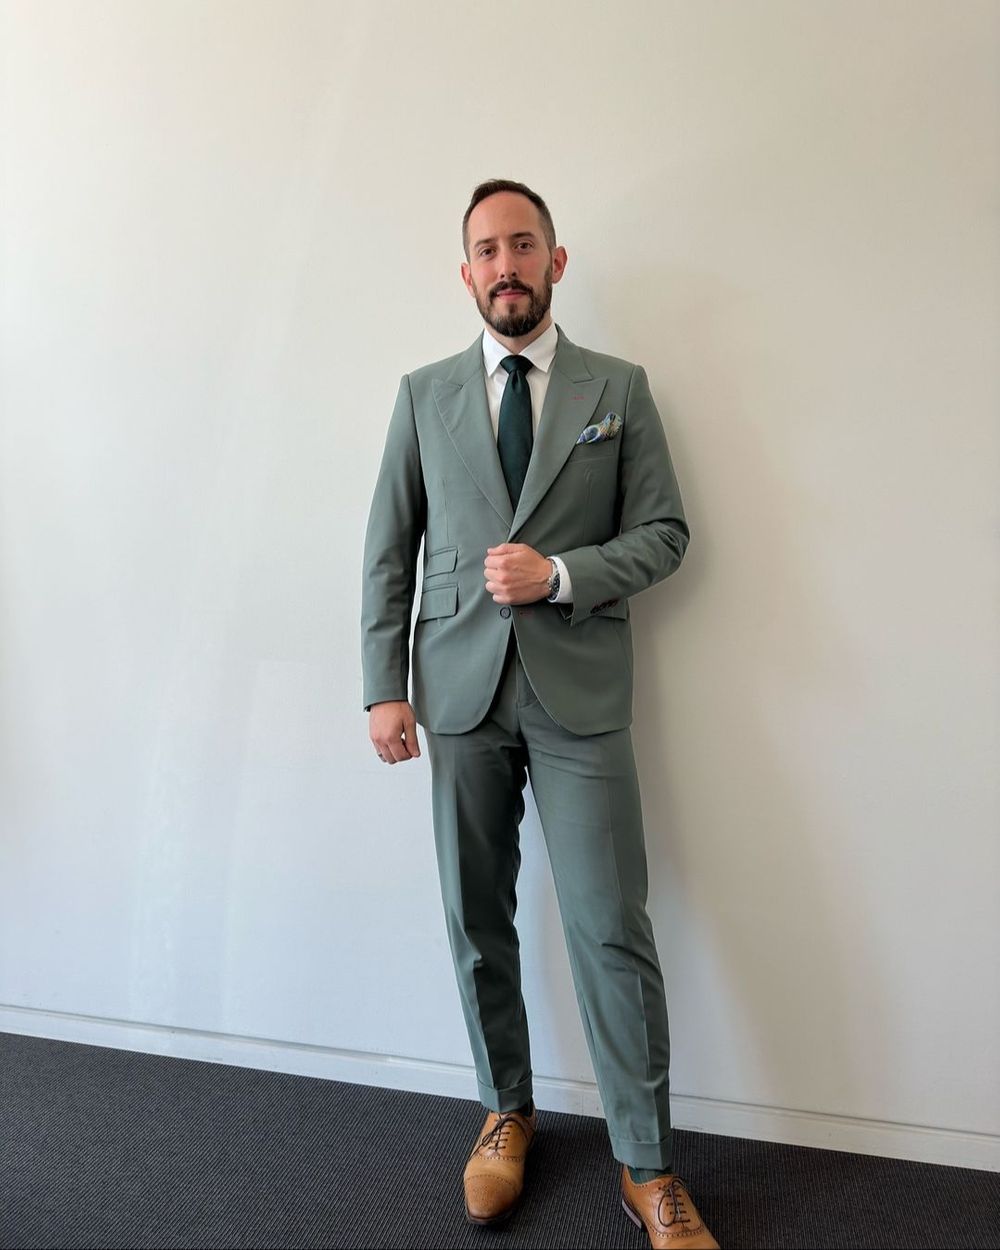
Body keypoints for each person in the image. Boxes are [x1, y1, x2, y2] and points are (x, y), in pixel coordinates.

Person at [361, 178, 718, 1250]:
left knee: (610, 925)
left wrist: (561, 573)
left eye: (523, 245)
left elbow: (664, 532)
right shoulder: (423, 393)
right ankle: (504, 1111)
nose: (505, 265)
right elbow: (389, 548)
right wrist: (384, 685)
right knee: (476, 914)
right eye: (486, 250)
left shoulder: (620, 388)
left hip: (580, 693)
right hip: (457, 691)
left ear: (555, 262)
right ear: (465, 272)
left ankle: (647, 1164)